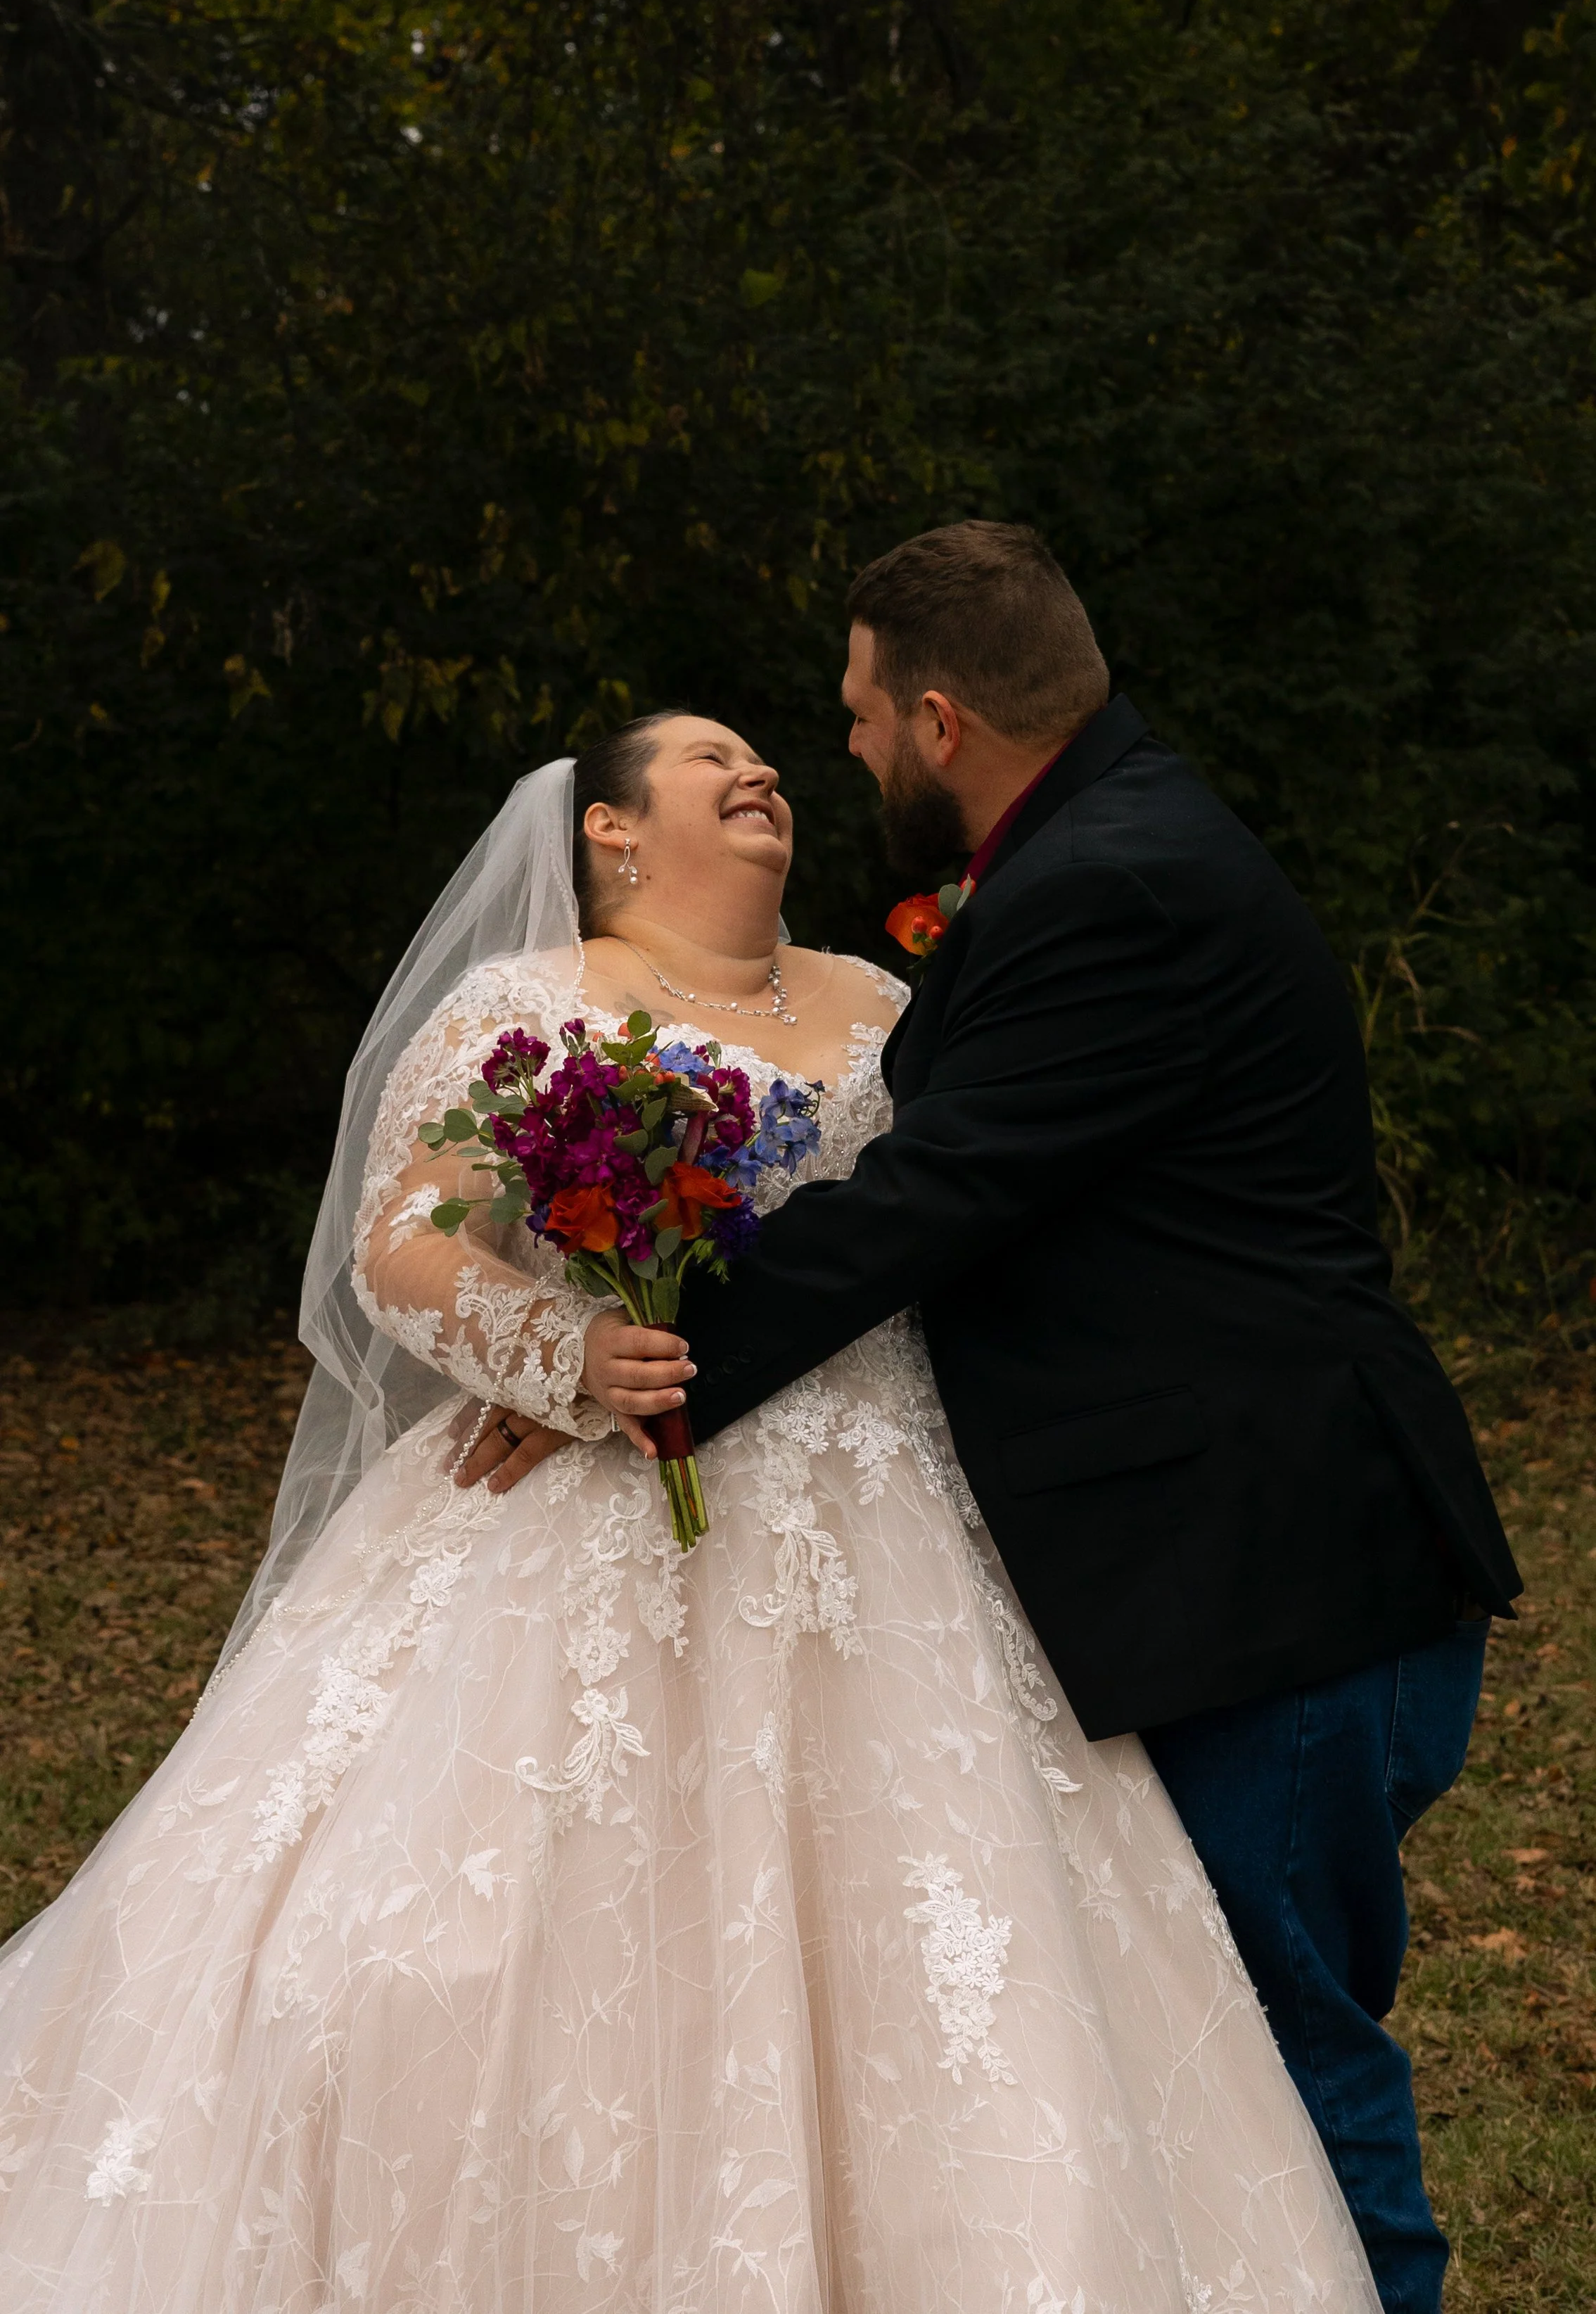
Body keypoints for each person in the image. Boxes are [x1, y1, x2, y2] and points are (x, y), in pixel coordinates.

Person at [0, 709, 1383, 2310]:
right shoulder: (527, 1005)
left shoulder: (887, 1002)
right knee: (429, 1959)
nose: (764, 776)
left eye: (777, 764)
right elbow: (407, 1239)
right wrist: (565, 1351)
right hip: (586, 1490)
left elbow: (964, 1219)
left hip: (895, 1513)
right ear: (607, 826)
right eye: (710, 759)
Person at [478, 524, 1521, 2314]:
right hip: (1246, 1560)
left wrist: (644, 1369)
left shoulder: (1110, 884)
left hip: (1275, 1579)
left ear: (944, 718)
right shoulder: (1114, 843)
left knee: (1276, 2051)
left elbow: (930, 1198)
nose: (852, 751)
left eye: (864, 715)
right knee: (1232, 2043)